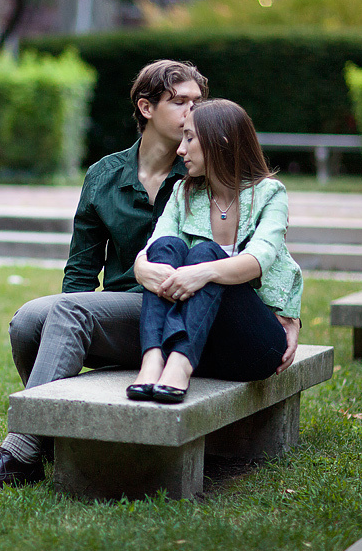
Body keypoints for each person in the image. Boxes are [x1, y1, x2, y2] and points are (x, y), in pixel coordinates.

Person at [0, 59, 211, 491]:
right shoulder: (104, 176)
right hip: (122, 315)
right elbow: (82, 267)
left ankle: (21, 453)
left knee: (68, 312)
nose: (193, 113)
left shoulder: (204, 171)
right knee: (29, 320)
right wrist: (71, 310)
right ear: (146, 107)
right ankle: (52, 431)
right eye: (180, 102)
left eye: (199, 102)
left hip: (179, 317)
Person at [126, 98, 303, 404]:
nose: (180, 150)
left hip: (253, 346)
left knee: (205, 253)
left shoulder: (270, 193)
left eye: (190, 138)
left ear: (219, 143)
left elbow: (260, 258)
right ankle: (153, 359)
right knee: (167, 247)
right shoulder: (184, 192)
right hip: (202, 343)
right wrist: (142, 267)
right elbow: (157, 243)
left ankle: (179, 364)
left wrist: (202, 272)